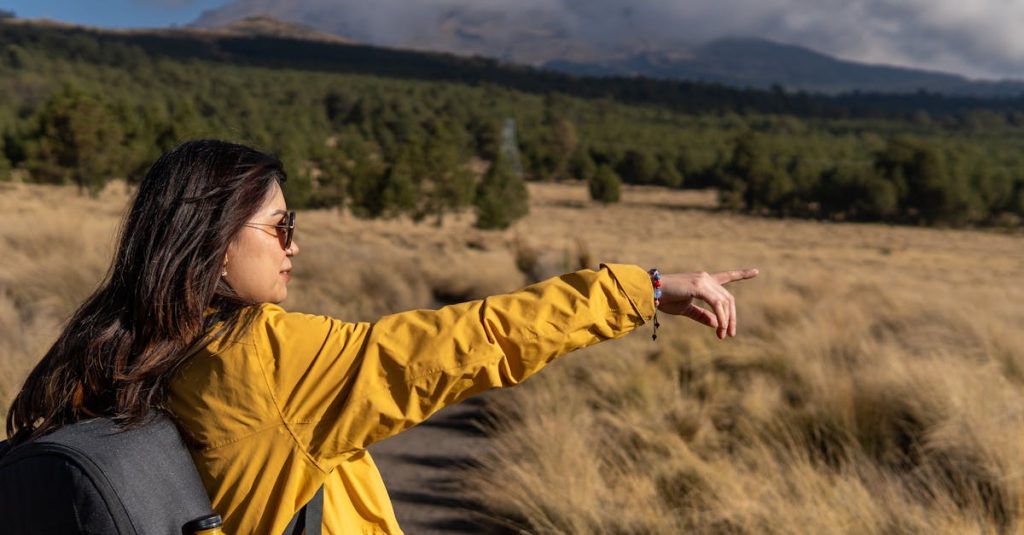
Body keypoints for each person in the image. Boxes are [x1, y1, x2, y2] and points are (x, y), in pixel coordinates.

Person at [5, 140, 758, 533]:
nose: (294, 245)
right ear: (212, 240)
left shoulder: (120, 348)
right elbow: (465, 341)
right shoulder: (264, 357)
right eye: (280, 226)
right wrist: (646, 289)